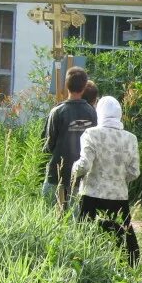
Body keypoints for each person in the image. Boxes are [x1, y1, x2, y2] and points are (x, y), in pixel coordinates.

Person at [71, 96, 141, 266]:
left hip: (91, 195)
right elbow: (134, 171)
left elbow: (84, 165)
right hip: (118, 197)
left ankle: (88, 272)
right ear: (119, 114)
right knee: (123, 242)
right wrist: (118, 180)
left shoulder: (91, 134)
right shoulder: (130, 138)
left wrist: (73, 170)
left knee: (86, 240)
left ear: (99, 113)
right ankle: (124, 274)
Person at [42, 66, 97, 208]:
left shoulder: (57, 111)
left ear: (66, 85)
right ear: (84, 86)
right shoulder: (92, 112)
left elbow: (48, 144)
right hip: (82, 175)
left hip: (57, 174)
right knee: (75, 218)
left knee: (49, 213)